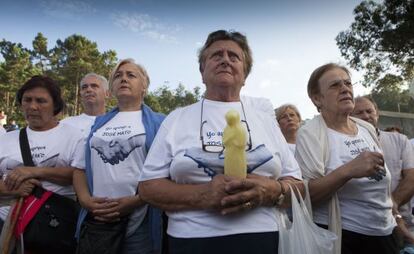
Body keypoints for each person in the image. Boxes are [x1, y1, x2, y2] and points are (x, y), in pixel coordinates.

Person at [138, 30, 303, 254]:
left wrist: (273, 190)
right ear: (202, 72)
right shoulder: (177, 118)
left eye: (234, 57)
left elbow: (298, 185)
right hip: (192, 240)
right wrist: (202, 195)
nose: (225, 59)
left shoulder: (266, 121)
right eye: (216, 55)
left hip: (264, 238)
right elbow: (147, 187)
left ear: (244, 75)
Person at [295, 63, 397, 254]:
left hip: (386, 233)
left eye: (348, 83)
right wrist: (348, 170)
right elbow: (308, 195)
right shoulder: (310, 134)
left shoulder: (365, 128)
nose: (345, 89)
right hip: (345, 238)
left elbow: (382, 178)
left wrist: (394, 214)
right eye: (335, 85)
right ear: (317, 98)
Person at [73, 59, 165, 254]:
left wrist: (139, 200)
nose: (123, 79)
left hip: (141, 219)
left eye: (131, 75)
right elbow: (80, 168)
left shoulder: (160, 123)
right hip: (98, 221)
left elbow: (168, 172)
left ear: (144, 86)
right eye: (118, 76)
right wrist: (85, 201)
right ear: (112, 88)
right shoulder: (97, 124)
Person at [0, 75, 85, 250]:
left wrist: (34, 172)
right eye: (27, 100)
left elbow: (79, 175)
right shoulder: (5, 140)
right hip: (5, 229)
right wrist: (8, 188)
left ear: (56, 105)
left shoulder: (75, 136)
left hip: (54, 229)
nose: (32, 106)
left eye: (41, 101)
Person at [352, 95, 414, 247]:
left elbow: (411, 178)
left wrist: (393, 205)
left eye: (369, 111)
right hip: (365, 231)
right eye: (359, 113)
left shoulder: (400, 140)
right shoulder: (347, 145)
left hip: (405, 224)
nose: (366, 116)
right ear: (349, 117)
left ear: (377, 113)